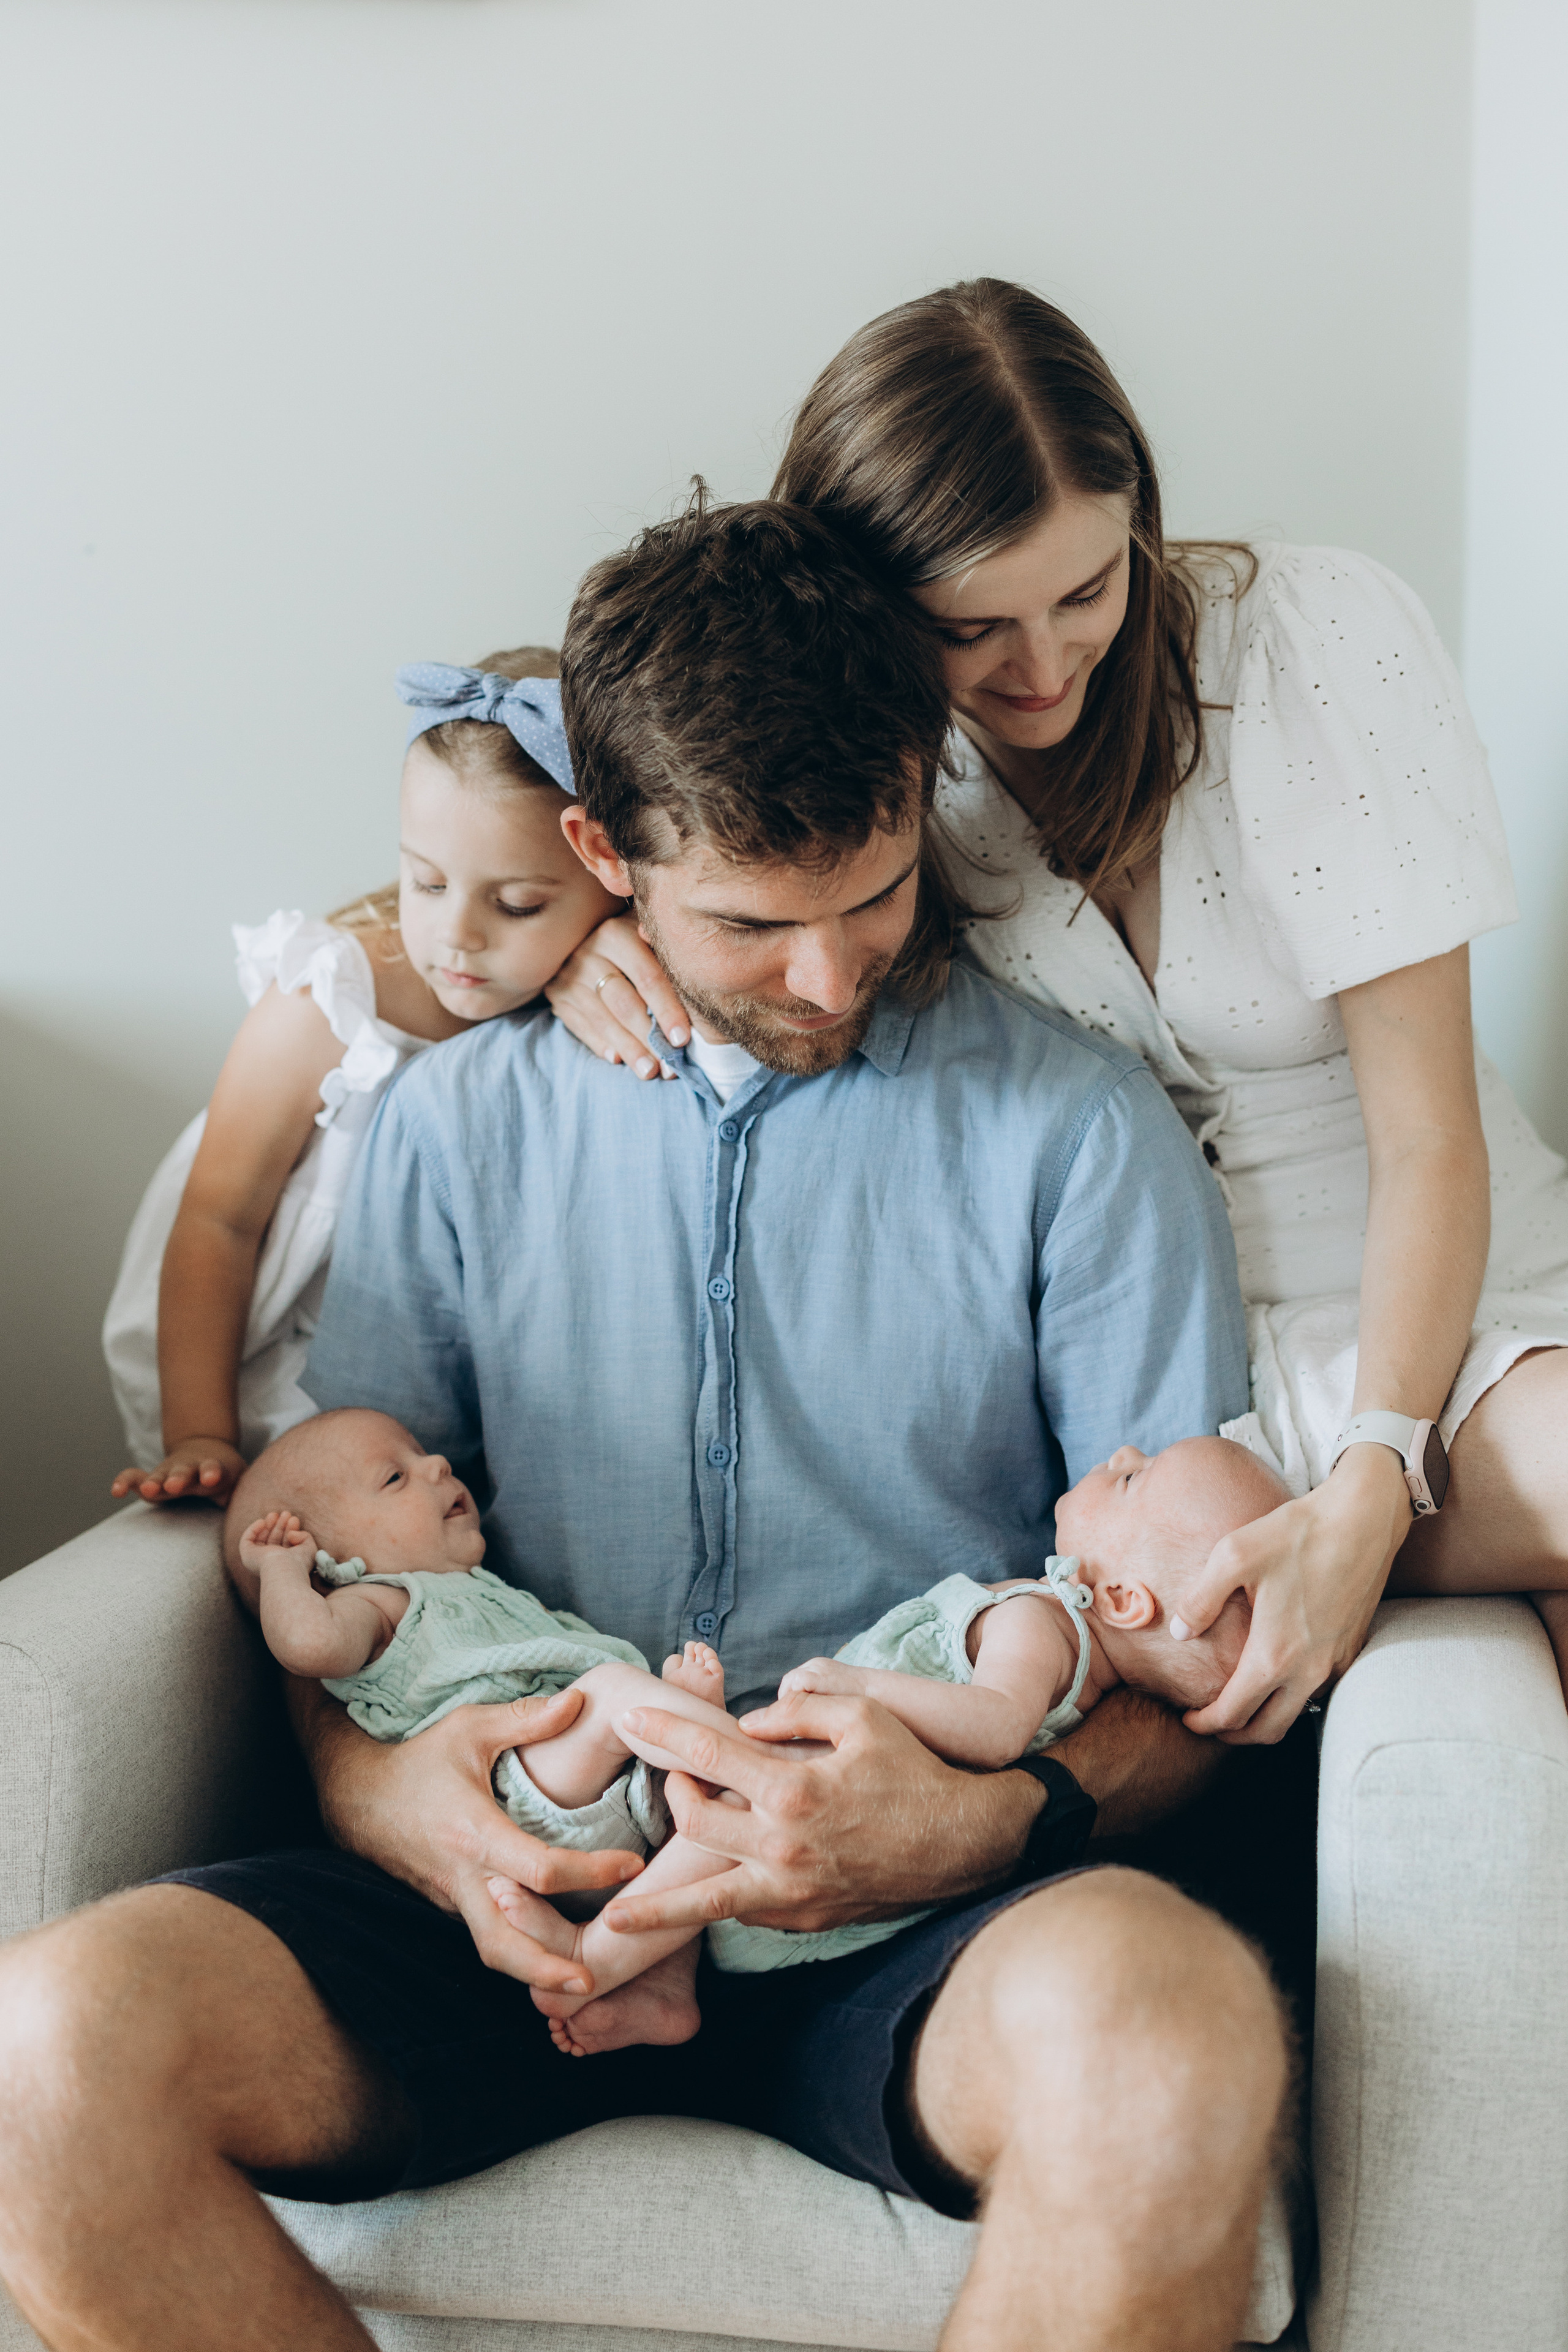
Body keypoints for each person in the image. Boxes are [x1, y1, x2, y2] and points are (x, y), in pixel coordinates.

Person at [0, 497, 1287, 2352]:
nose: (832, 978)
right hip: (522, 1871)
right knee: (42, 2056)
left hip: (918, 1918)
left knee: (1169, 2036)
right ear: (605, 852)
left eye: (874, 894)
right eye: (755, 925)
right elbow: (329, 1528)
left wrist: (978, 1816)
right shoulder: (454, 1133)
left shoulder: (1079, 1135)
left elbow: (1205, 1637)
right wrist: (394, 1803)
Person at [549, 277, 1568, 1744]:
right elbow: (550, 789)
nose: (1040, 670)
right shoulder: (869, 765)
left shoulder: (1306, 640)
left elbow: (1428, 1137)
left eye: (1086, 592)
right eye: (973, 627)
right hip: (1166, 1404)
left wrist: (1369, 1484)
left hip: (1439, 1304)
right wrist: (573, 938)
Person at [231, 1409, 1280, 2059]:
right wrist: (361, 1785)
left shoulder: (1042, 1621)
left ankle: (621, 1961)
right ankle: (636, 1958)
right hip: (535, 1815)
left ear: (1130, 1599)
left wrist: (977, 1814)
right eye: (396, 1471)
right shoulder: (446, 1118)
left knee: (1151, 2007)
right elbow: (307, 1608)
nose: (436, 1461)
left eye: (1134, 1476)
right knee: (88, 2018)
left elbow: (1171, 1690)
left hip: (867, 1852)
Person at [103, 650, 620, 1507]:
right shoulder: (328, 1002)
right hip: (263, 1362)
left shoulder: (591, 999)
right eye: (427, 881)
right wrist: (199, 1432)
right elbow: (218, 1221)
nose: (457, 936)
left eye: (518, 903)